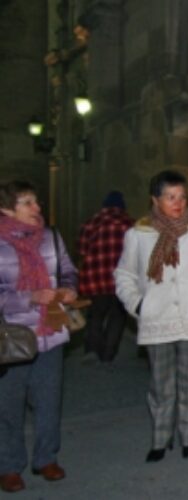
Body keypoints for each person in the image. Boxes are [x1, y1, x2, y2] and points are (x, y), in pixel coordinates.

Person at [114, 170, 188, 461]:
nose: (178, 203)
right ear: (155, 200)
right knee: (161, 384)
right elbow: (124, 275)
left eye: (182, 197)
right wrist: (139, 305)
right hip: (157, 318)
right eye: (170, 197)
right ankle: (160, 438)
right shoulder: (138, 234)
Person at [0, 181, 78, 493]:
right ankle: (9, 466)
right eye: (27, 203)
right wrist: (29, 297)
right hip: (12, 338)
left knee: (49, 401)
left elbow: (69, 271)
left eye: (36, 201)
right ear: (7, 209)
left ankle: (46, 458)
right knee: (9, 405)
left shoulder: (51, 237)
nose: (37, 208)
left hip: (51, 333)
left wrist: (69, 288)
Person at [77, 190, 133, 363]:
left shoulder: (91, 223)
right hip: (122, 281)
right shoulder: (131, 224)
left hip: (96, 279)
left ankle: (92, 350)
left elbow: (81, 250)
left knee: (95, 315)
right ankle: (109, 353)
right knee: (118, 316)